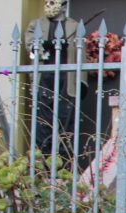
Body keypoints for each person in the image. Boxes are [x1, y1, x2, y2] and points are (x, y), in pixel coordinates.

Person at [24, 0, 87, 158]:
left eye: (53, 2)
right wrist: (43, 47)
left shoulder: (75, 27)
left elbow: (82, 57)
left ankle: (66, 166)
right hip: (45, 77)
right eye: (47, 2)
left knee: (67, 124)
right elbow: (30, 47)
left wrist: (81, 83)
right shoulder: (36, 25)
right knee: (42, 123)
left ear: (64, 5)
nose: (49, 5)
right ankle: (42, 166)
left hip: (67, 79)